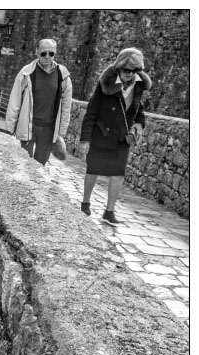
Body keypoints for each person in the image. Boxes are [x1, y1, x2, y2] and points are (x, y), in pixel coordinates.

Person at [77, 48, 151, 225]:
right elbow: (91, 112)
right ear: (119, 67)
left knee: (118, 175)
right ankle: (85, 203)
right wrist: (85, 140)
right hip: (101, 133)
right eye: (127, 70)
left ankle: (109, 212)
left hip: (122, 138)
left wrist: (139, 123)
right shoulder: (106, 83)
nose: (130, 74)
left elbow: (138, 108)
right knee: (93, 170)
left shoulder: (138, 85)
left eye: (135, 71)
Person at [5, 38, 72, 166]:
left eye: (51, 53)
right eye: (43, 53)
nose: (47, 57)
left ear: (55, 53)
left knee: (40, 165)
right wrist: (10, 127)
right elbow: (15, 100)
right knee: (24, 164)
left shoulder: (63, 75)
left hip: (49, 128)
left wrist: (61, 132)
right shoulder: (26, 72)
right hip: (28, 125)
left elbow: (66, 107)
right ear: (37, 52)